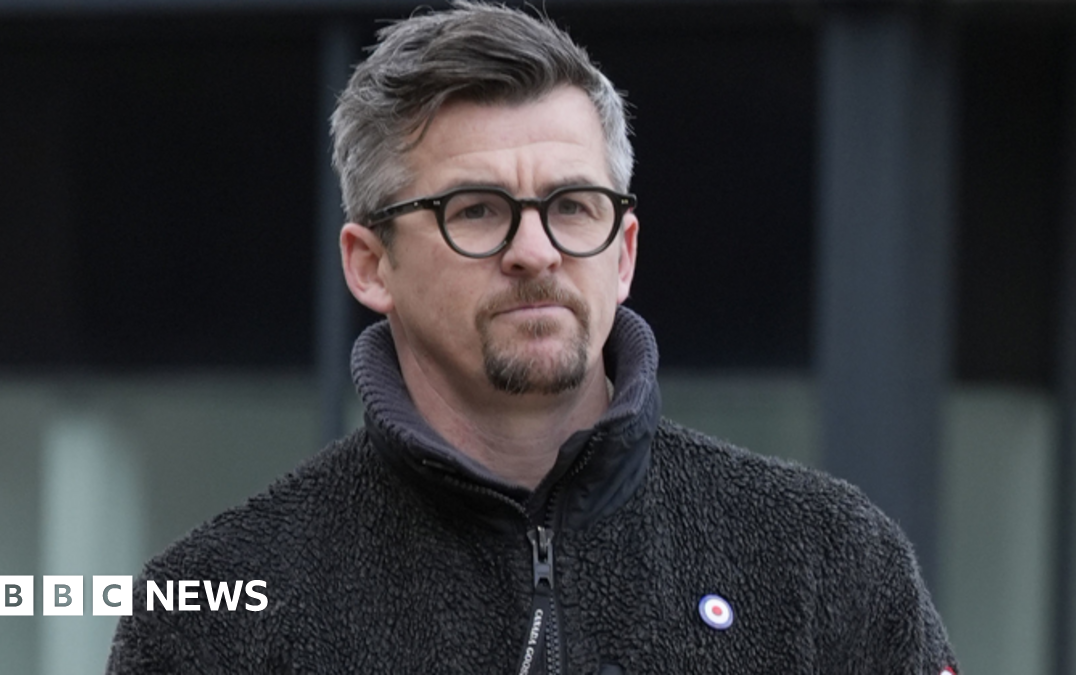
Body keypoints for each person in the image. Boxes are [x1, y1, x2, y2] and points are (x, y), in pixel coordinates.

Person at [107, 3, 959, 673]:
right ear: (370, 265)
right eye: (476, 210)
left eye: (572, 206)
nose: (535, 250)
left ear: (624, 253)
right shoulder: (214, 615)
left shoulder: (828, 560)